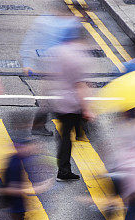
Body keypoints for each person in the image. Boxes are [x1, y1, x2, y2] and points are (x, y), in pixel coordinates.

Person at [20, 0, 81, 136]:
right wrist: (28, 62)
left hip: (60, 64)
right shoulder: (67, 22)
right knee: (59, 95)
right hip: (53, 66)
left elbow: (29, 42)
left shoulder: (51, 22)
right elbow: (30, 42)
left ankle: (77, 126)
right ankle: (40, 126)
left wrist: (27, 62)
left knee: (64, 94)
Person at [48, 27, 94, 182]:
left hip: (58, 100)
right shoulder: (79, 58)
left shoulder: (59, 51)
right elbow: (80, 86)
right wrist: (87, 109)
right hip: (72, 104)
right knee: (77, 135)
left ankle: (64, 169)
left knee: (65, 135)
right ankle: (65, 170)